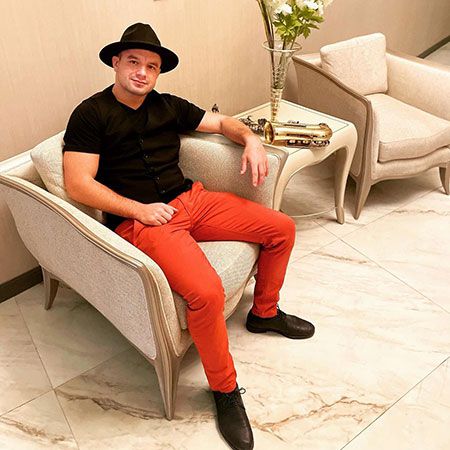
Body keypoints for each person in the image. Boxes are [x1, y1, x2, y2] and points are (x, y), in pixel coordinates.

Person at [63, 22, 315, 450]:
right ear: (115, 63)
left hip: (191, 200)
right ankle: (224, 390)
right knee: (207, 292)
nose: (142, 72)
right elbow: (77, 183)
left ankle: (264, 313)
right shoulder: (90, 114)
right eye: (133, 62)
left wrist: (251, 140)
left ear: (158, 73)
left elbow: (223, 123)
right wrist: (139, 209)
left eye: (151, 66)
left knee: (281, 228)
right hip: (145, 222)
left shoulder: (168, 105)